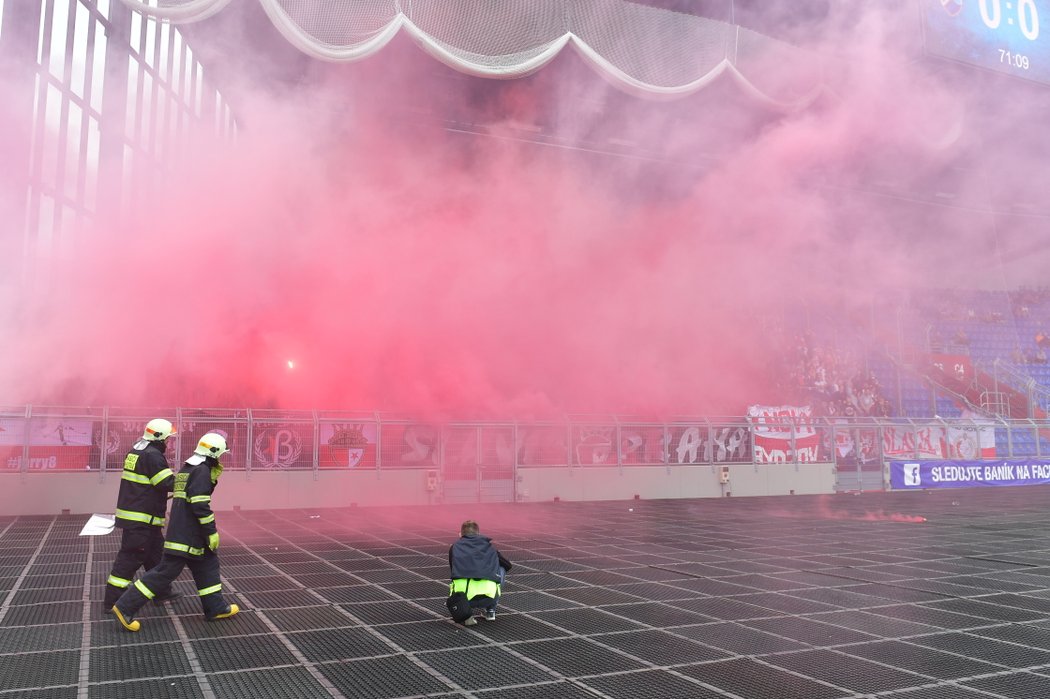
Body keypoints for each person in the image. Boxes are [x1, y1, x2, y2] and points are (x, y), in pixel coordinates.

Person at [112, 432, 239, 631]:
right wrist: (211, 531)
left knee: (207, 565)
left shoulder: (189, 468)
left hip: (187, 533)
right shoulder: (202, 472)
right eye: (220, 455)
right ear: (213, 453)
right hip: (189, 535)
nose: (221, 458)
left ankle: (215, 607)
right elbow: (200, 505)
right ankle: (125, 606)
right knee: (164, 572)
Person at [103, 418, 180, 612]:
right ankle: (112, 602)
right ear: (159, 438)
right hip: (141, 518)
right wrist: (190, 479)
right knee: (129, 560)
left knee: (157, 557)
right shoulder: (153, 455)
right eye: (167, 439)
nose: (168, 443)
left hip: (143, 518)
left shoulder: (137, 449)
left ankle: (161, 592)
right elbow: (167, 483)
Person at [448, 520, 512, 626]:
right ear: (478, 533)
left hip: (464, 600)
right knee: (501, 568)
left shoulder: (454, 547)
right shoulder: (489, 547)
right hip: (489, 597)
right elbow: (508, 565)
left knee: (458, 573)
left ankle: (467, 614)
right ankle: (490, 611)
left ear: (460, 534)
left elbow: (453, 570)